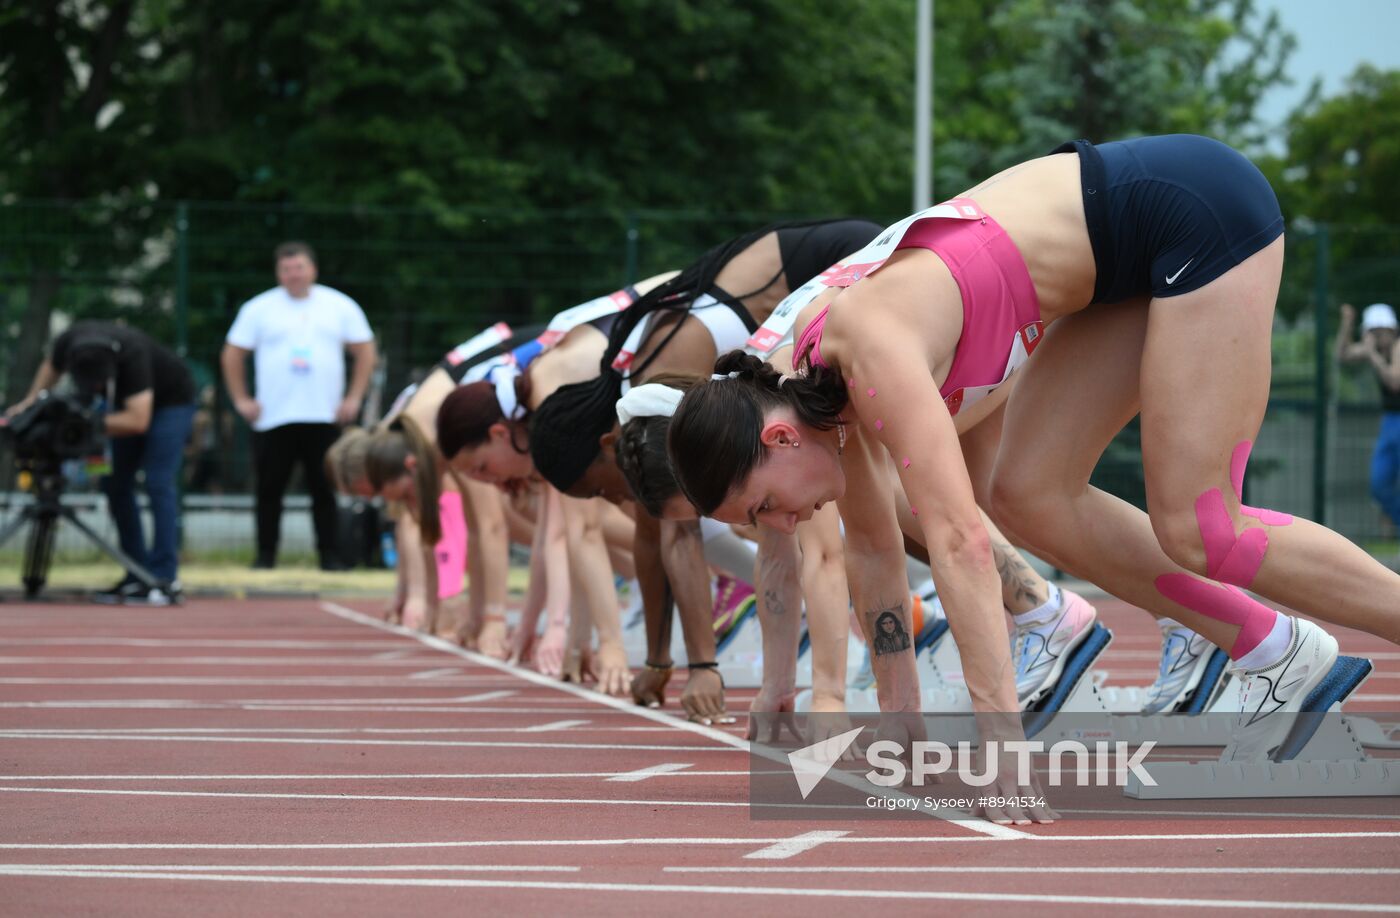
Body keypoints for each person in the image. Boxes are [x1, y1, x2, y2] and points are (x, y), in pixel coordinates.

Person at [669, 135, 1400, 824]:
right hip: (1112, 270)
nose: (785, 526)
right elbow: (872, 551)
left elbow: (958, 544)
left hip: (1192, 210)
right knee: (1028, 496)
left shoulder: (864, 346)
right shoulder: (820, 397)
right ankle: (1278, 655)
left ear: (779, 436)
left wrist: (1002, 748)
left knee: (1206, 528)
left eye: (767, 507)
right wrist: (903, 726)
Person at [7, 320, 197, 605]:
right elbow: (50, 367)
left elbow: (138, 419)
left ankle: (163, 576)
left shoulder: (132, 355)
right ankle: (136, 574)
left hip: (170, 402)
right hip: (126, 406)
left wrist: (87, 423)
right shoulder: (68, 341)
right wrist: (29, 406)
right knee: (114, 483)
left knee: (158, 481)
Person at [221, 241, 377, 571]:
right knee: (269, 490)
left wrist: (353, 398)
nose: (294, 275)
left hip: (324, 413)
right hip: (274, 416)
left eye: (299, 267)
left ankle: (330, 556)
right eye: (287, 269)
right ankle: (265, 556)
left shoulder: (339, 306)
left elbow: (365, 351)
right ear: (278, 273)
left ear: (313, 269)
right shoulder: (258, 309)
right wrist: (241, 400)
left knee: (325, 489)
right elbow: (232, 354)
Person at [1336, 302, 1400, 536]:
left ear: (1391, 330)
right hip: (1390, 421)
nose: (1376, 336)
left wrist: (1371, 353)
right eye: (1372, 332)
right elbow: (1341, 355)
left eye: (1380, 331)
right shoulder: (1375, 350)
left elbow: (1394, 381)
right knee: (1379, 485)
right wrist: (1347, 324)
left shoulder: (1398, 347)